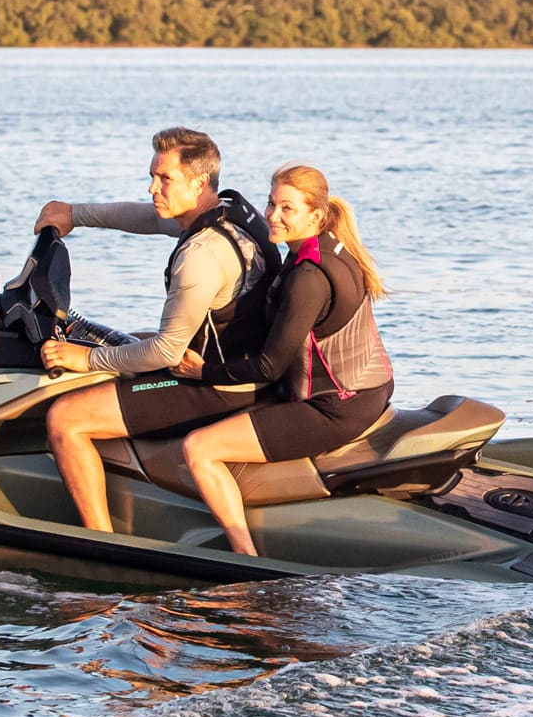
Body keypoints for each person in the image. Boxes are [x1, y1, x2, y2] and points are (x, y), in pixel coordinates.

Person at [32, 127, 274, 534]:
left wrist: (85, 357)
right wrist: (75, 214)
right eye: (153, 176)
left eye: (165, 179)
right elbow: (148, 218)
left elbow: (164, 353)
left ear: (198, 184)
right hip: (238, 360)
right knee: (133, 338)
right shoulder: (229, 210)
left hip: (216, 385)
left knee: (65, 418)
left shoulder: (200, 255)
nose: (152, 188)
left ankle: (100, 541)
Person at [172, 163, 394, 556]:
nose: (273, 216)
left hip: (333, 408)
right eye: (272, 204)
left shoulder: (307, 277)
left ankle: (244, 560)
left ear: (317, 214)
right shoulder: (332, 251)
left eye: (287, 208)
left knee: (199, 448)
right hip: (368, 391)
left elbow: (268, 367)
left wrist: (202, 370)